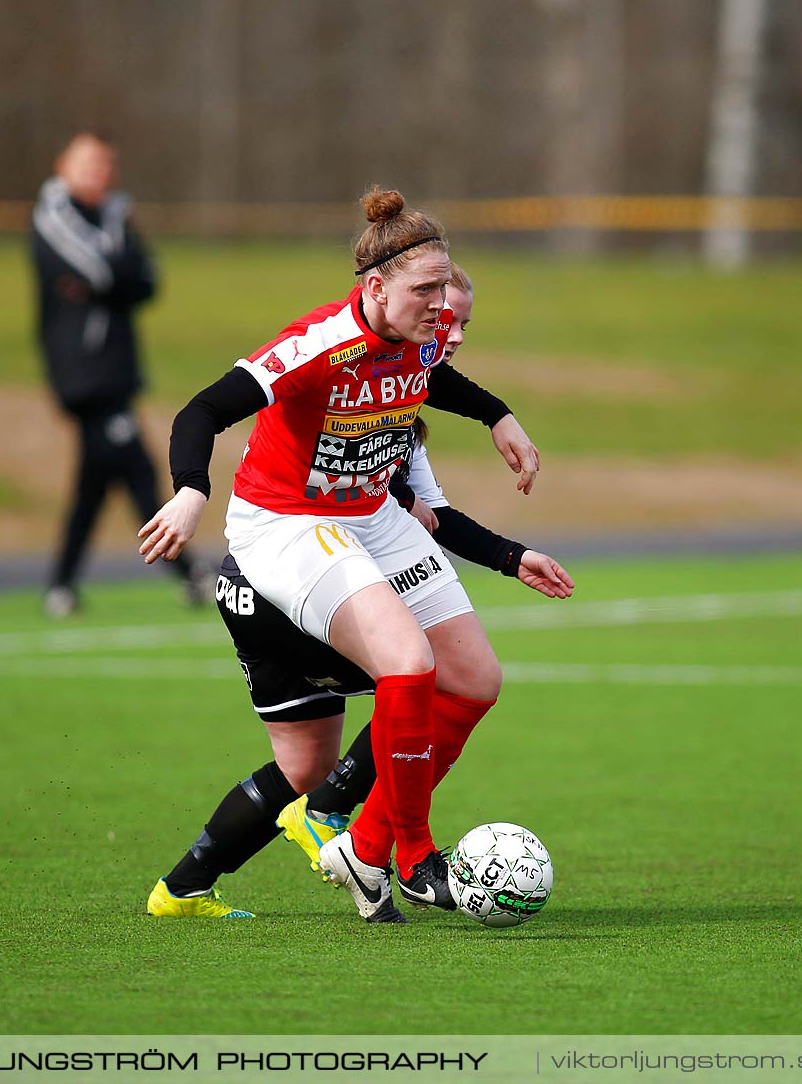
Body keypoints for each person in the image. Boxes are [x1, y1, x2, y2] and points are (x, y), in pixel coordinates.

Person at [139, 189, 542, 923]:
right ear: (375, 287)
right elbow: (201, 409)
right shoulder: (316, 343)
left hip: (367, 513)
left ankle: (363, 845)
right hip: (287, 522)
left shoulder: (425, 330)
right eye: (425, 290)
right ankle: (408, 855)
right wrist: (192, 491)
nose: (440, 309)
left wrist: (496, 414)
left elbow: (429, 375)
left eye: (444, 288)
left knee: (475, 678)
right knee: (408, 662)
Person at [33, 132, 197, 617]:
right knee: (138, 470)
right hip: (82, 374)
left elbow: (146, 279)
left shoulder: (114, 215)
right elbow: (103, 272)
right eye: (87, 164)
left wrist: (112, 280)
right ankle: (188, 573)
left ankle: (60, 585)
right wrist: (113, 277)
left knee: (96, 482)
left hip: (117, 370)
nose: (97, 173)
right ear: (63, 165)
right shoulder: (52, 214)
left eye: (105, 164)